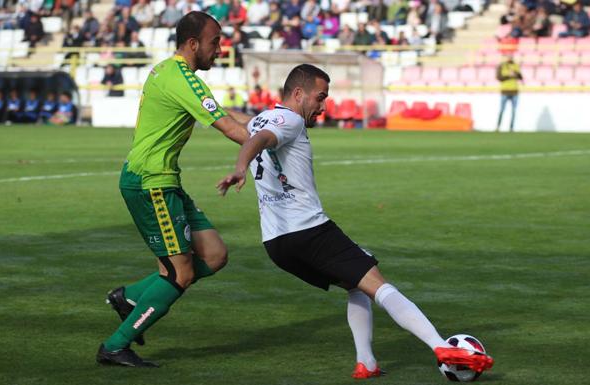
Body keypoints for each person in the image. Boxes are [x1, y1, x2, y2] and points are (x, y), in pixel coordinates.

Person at [216, 64, 495, 379]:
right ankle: (441, 346)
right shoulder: (289, 119)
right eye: (320, 98)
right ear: (297, 94)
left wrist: (205, 104)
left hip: (276, 243)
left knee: (356, 283)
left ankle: (367, 363)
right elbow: (261, 140)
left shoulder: (261, 117)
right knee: (378, 284)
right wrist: (241, 166)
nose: (324, 107)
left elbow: (238, 126)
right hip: (309, 231)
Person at [95, 11, 252, 367]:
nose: (220, 49)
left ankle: (129, 297)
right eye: (215, 42)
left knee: (213, 254)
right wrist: (273, 144)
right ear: (193, 43)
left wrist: (270, 125)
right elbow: (228, 127)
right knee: (180, 273)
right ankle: (115, 346)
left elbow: (226, 115)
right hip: (151, 184)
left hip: (165, 181)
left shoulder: (168, 71)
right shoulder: (183, 79)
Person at [496, 54, 522, 132]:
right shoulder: (502, 66)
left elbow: (520, 77)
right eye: (508, 56)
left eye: (511, 56)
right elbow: (499, 77)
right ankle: (498, 126)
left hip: (515, 91)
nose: (510, 57)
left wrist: (515, 73)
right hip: (505, 91)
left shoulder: (516, 66)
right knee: (502, 110)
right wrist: (508, 75)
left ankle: (511, 128)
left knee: (513, 111)